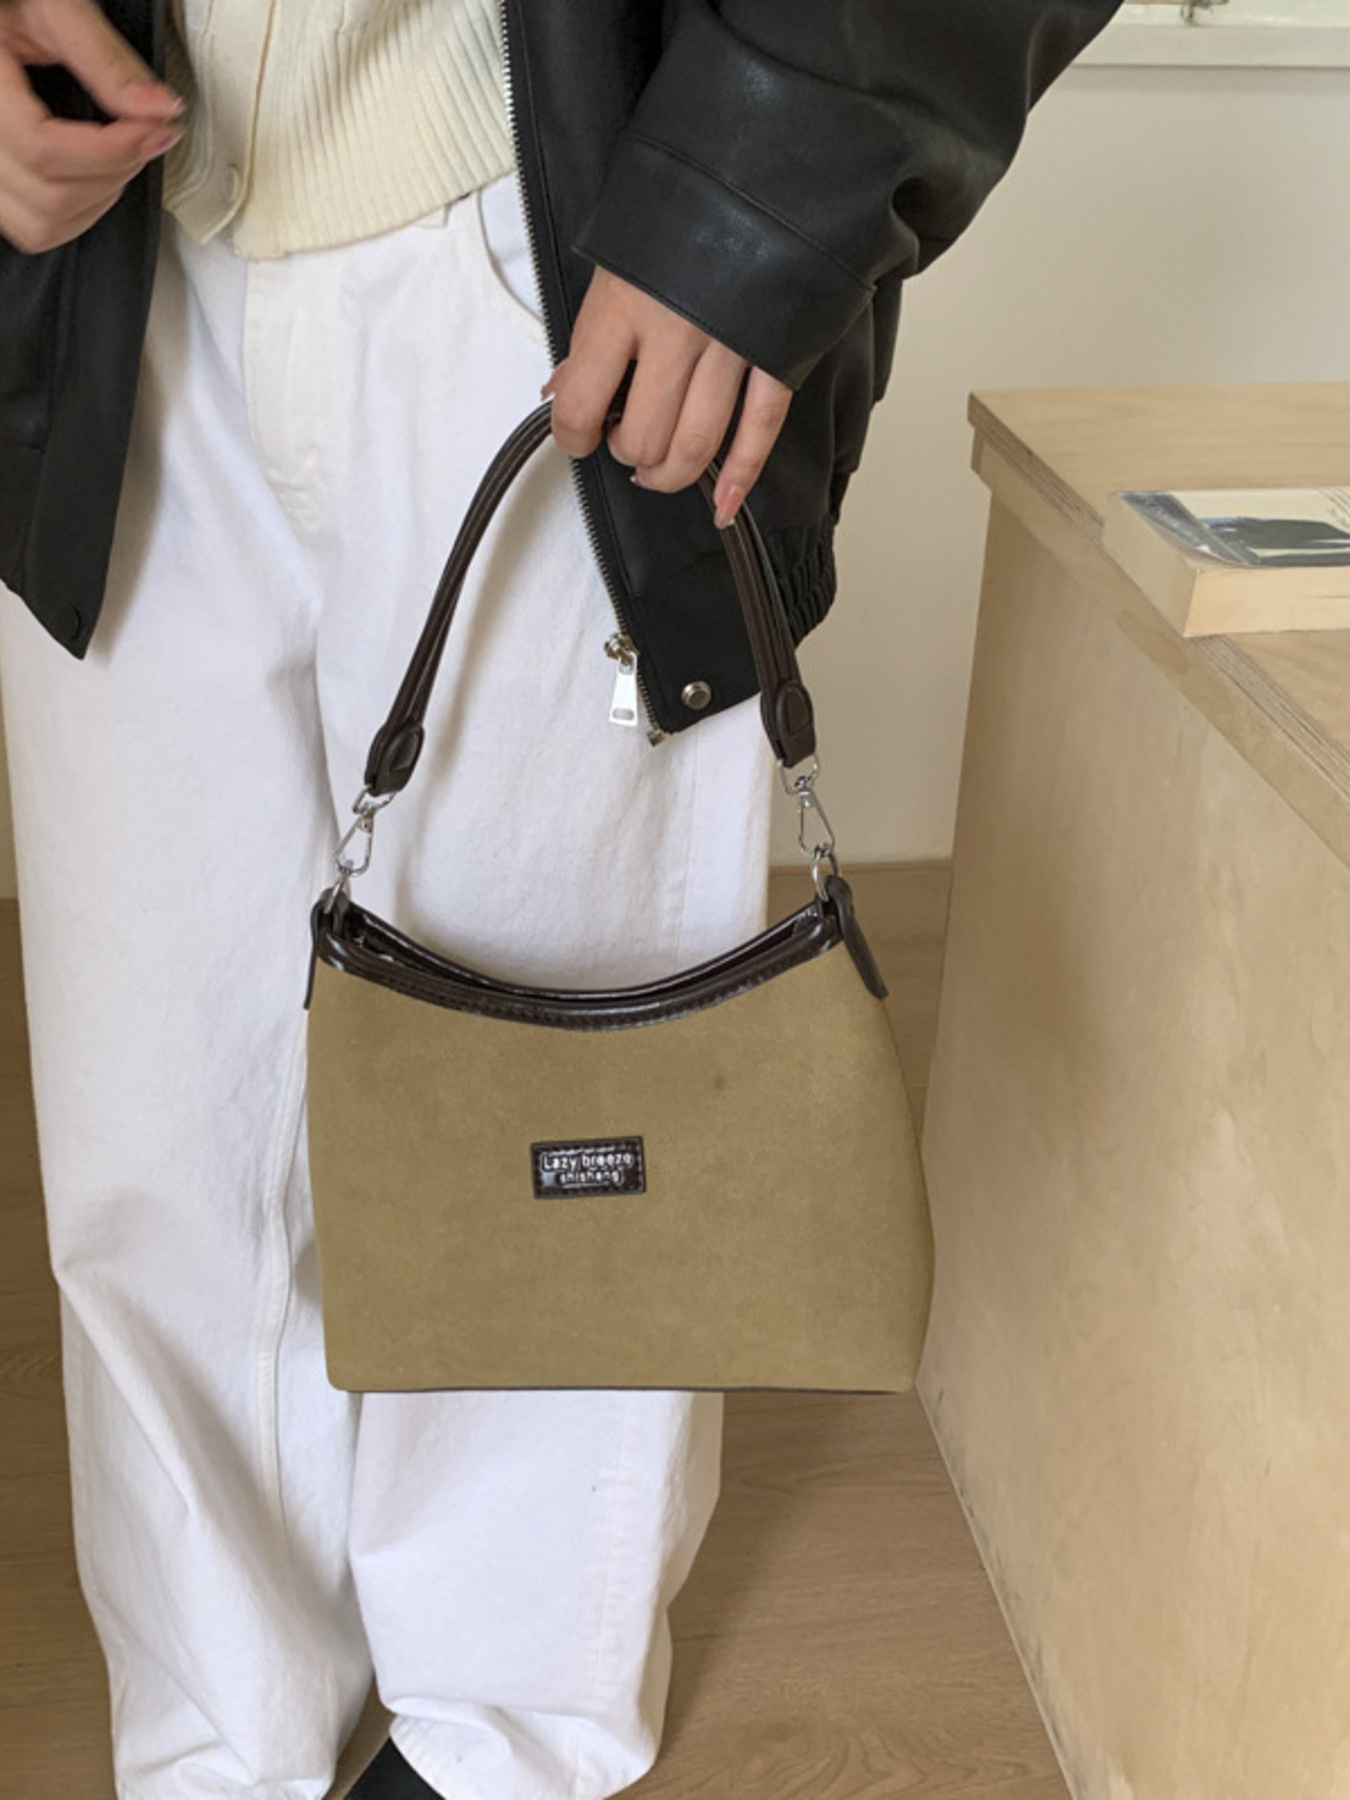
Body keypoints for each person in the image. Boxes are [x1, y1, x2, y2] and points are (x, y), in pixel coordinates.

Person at [0, 2, 1121, 1797]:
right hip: (108, 256)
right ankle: (216, 1731)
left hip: (557, 226)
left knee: (564, 1122)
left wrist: (760, 176)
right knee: (162, 1125)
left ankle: (499, 1734)